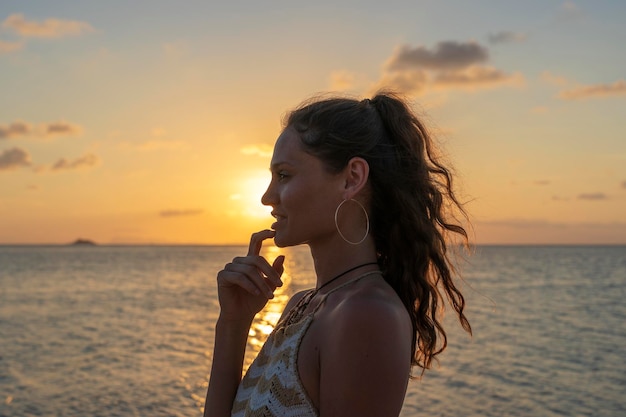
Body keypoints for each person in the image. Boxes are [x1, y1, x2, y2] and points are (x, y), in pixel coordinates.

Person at [204, 92, 472, 417]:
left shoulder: (367, 315)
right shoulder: (302, 305)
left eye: (284, 175)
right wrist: (233, 323)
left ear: (352, 178)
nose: (266, 197)